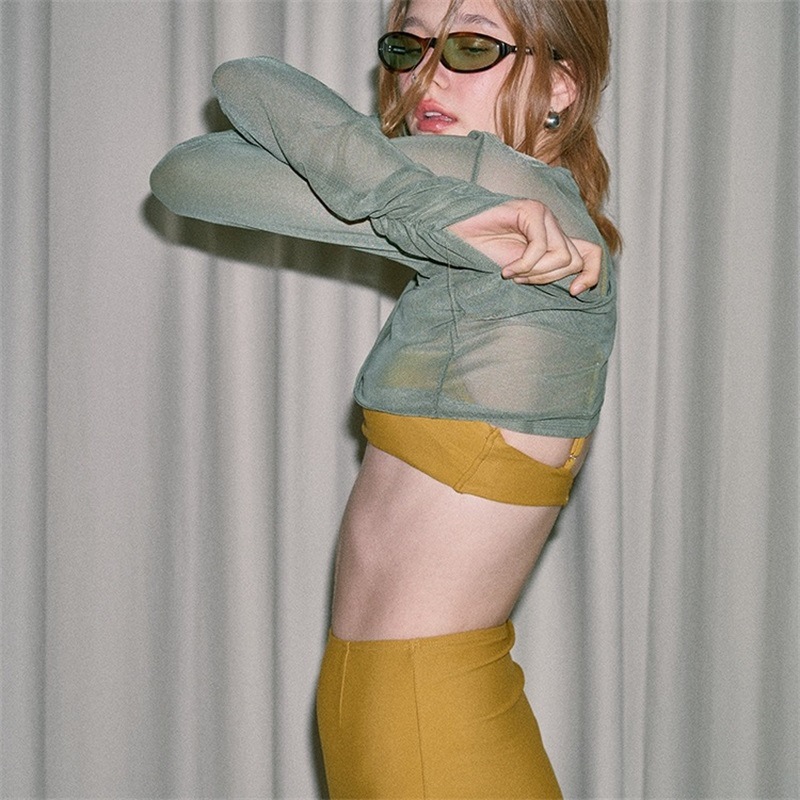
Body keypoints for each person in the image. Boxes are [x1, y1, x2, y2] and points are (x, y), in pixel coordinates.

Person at [150, 0, 619, 796]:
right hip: (411, 715)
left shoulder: (498, 181)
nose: (428, 74)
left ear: (560, 84)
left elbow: (217, 127)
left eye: (470, 46)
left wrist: (405, 193)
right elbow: (190, 168)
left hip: (431, 725)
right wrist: (417, 201)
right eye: (410, 45)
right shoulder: (467, 207)